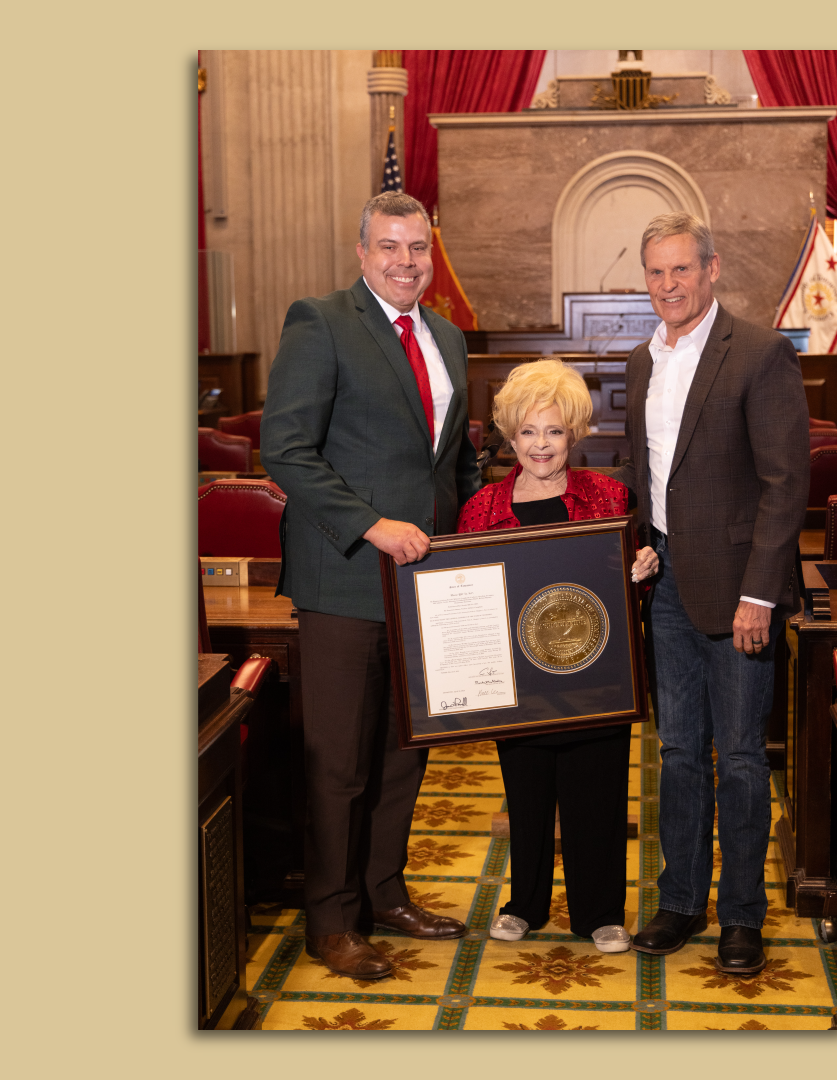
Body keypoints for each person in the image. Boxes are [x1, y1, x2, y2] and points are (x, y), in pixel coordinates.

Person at [260, 191, 481, 979]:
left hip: (428, 583)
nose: (405, 262)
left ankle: (384, 891)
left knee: (403, 752)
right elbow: (284, 449)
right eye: (389, 247)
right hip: (346, 577)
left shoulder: (449, 337)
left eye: (417, 248)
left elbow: (452, 463)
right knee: (338, 760)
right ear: (361, 253)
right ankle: (332, 918)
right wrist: (370, 525)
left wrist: (479, 535)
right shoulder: (320, 322)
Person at [624, 212, 809, 976]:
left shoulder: (759, 354)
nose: (668, 285)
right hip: (665, 582)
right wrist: (636, 539)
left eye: (681, 270)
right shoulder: (641, 361)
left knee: (737, 758)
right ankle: (680, 903)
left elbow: (784, 483)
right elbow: (646, 471)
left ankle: (740, 916)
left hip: (740, 592)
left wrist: (760, 594)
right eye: (656, 273)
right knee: (675, 754)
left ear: (712, 269)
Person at [455, 360, 659, 955]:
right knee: (527, 793)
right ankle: (526, 903)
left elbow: (631, 586)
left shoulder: (610, 496)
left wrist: (644, 570)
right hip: (517, 679)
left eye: (553, 432)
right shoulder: (482, 509)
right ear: (509, 437)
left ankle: (600, 912)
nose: (540, 446)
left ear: (574, 434)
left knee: (595, 790)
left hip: (594, 675)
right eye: (527, 433)